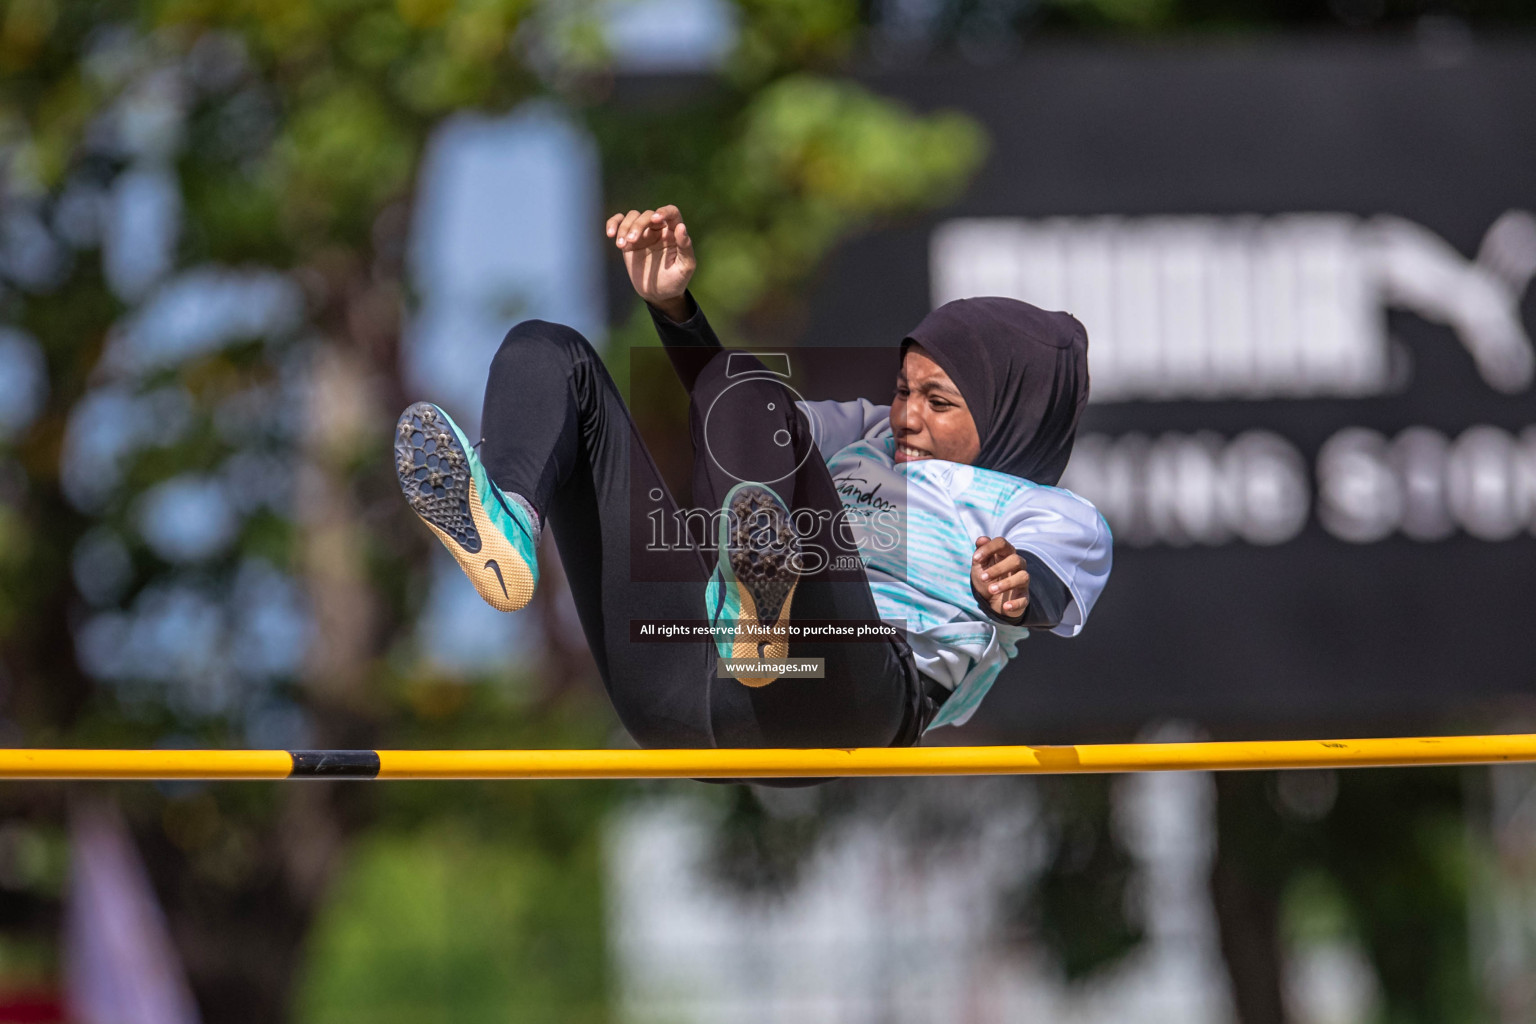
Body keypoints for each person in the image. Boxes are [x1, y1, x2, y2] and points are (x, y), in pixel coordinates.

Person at [393, 204, 1110, 757]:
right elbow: (735, 413)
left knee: (764, 418)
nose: (907, 417)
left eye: (938, 401)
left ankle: (768, 609)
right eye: (902, 390)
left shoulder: (1045, 510)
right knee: (550, 349)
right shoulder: (871, 434)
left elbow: (1047, 589)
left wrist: (1015, 588)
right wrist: (676, 311)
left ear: (1013, 419)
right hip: (687, 692)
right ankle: (513, 517)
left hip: (845, 693)